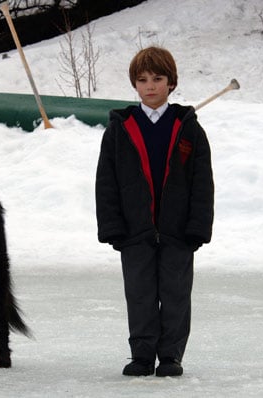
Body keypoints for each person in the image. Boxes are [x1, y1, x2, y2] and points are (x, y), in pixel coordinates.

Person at [95, 46, 214, 377]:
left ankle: (171, 355)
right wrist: (112, 227)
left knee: (176, 295)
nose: (150, 86)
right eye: (142, 79)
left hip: (178, 232)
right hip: (135, 231)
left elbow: (202, 183)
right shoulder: (120, 128)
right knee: (140, 294)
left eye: (158, 79)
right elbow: (106, 181)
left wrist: (198, 228)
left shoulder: (188, 128)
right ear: (134, 84)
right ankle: (143, 355)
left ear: (171, 83)